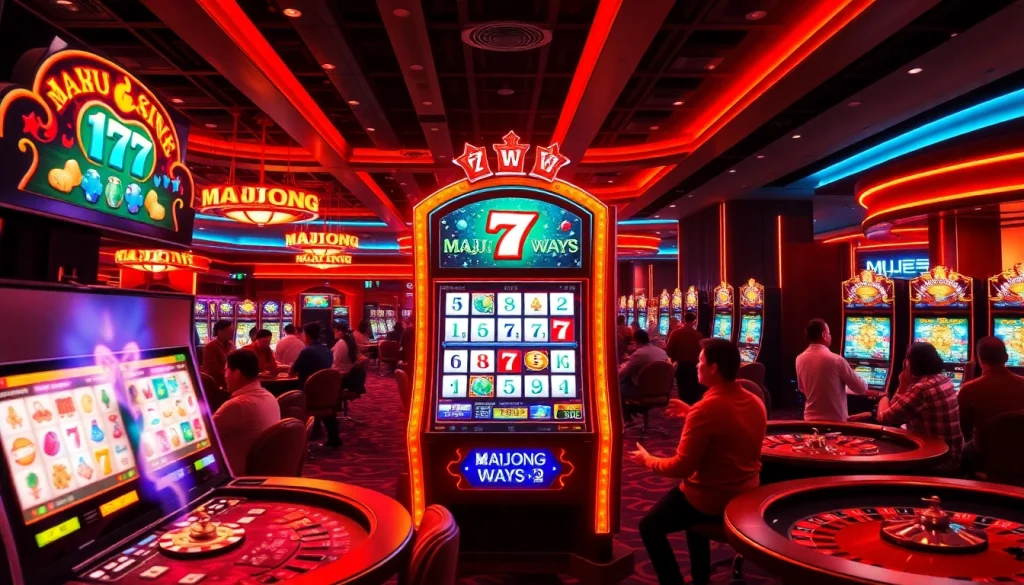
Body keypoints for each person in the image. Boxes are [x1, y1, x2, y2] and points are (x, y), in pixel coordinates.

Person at [629, 339, 767, 585]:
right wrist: (690, 411)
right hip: (747, 491)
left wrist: (647, 460)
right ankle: (701, 578)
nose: (696, 365)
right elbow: (727, 427)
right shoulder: (755, 400)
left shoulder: (705, 409)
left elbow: (682, 467)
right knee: (689, 517)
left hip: (711, 497)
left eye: (701, 361)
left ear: (713, 368)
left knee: (649, 526)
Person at [877, 342, 963, 472]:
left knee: (881, 447)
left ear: (913, 363)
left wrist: (884, 396)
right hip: (953, 453)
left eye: (907, 359)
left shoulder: (921, 389)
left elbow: (885, 418)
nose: (905, 362)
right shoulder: (945, 380)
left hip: (936, 460)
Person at [958, 336, 1024, 472]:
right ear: (1006, 357)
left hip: (985, 457)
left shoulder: (969, 389)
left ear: (979, 360)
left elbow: (964, 430)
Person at [212, 350, 280, 475]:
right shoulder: (270, 397)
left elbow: (205, 438)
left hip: (236, 476)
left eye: (226, 370)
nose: (224, 375)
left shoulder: (236, 406)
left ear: (236, 374)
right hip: (265, 471)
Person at [795, 318, 873, 421]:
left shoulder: (799, 358)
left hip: (809, 419)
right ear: (824, 335)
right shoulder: (837, 360)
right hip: (835, 422)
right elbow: (861, 388)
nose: (830, 336)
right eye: (829, 333)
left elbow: (802, 388)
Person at [291, 323, 340, 448]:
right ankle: (332, 437)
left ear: (306, 335)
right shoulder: (327, 350)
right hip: (327, 394)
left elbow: (292, 372)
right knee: (322, 403)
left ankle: (294, 438)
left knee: (286, 397)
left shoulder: (307, 351)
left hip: (308, 394)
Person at [619, 329, 668, 399]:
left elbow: (622, 373)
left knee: (619, 387)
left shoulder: (638, 353)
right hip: (661, 389)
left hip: (643, 391)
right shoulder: (662, 352)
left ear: (636, 341)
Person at [667, 312, 704, 404]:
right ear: (695, 321)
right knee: (692, 388)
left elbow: (669, 350)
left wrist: (673, 359)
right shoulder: (698, 335)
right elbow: (701, 352)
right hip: (694, 364)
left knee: (682, 388)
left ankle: (683, 406)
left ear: (684, 320)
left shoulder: (675, 333)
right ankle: (690, 406)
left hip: (679, 364)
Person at [202, 319, 234, 389]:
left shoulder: (231, 345)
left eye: (231, 331)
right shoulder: (210, 347)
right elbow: (213, 369)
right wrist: (231, 375)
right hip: (215, 382)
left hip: (228, 378)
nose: (231, 333)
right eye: (228, 331)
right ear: (220, 332)